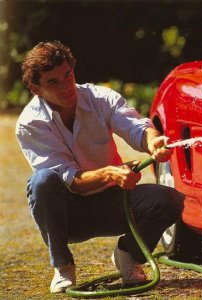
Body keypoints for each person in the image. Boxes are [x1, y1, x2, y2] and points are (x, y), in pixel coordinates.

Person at [15, 41, 185, 293]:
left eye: (68, 75)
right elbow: (68, 178)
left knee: (169, 200)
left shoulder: (101, 98)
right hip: (69, 214)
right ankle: (63, 266)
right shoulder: (31, 124)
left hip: (114, 202)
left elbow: (135, 128)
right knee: (41, 183)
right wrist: (110, 173)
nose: (65, 86)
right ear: (35, 88)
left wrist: (153, 141)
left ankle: (128, 255)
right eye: (53, 82)